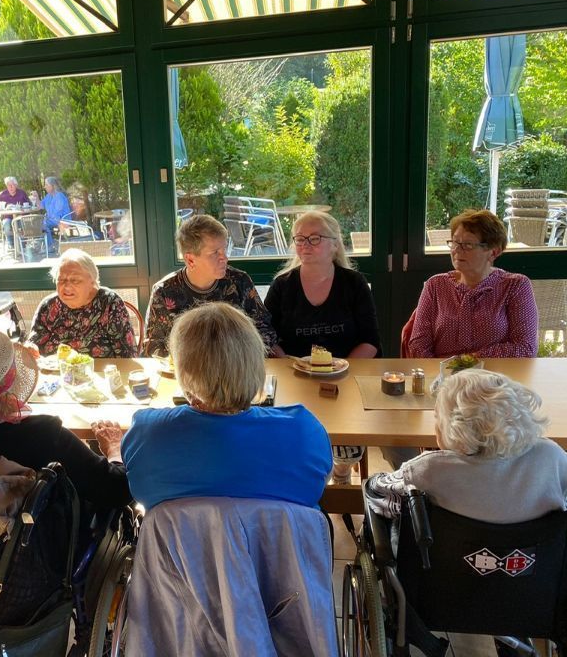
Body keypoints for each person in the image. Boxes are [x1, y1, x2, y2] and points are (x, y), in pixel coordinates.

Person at [122, 302, 332, 510]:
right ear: (256, 363)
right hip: (281, 545)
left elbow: (135, 487)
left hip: (185, 545)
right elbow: (317, 487)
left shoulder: (146, 434)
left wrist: (114, 453)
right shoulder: (304, 431)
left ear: (183, 372)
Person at [0, 328, 132, 511]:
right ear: (12, 378)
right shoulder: (46, 435)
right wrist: (114, 448)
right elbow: (118, 492)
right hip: (41, 551)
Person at [366, 368, 567, 522]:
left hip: (447, 575)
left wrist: (372, 481)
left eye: (437, 418)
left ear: (453, 429)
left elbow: (376, 493)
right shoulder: (551, 457)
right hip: (536, 575)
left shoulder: (429, 469)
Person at [264, 210, 381, 484]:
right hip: (294, 377)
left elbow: (370, 341)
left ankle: (340, 471)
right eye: (300, 238)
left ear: (334, 244)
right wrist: (286, 362)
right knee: (291, 434)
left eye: (314, 238)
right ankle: (307, 478)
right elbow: (266, 335)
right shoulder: (282, 286)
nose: (305, 244)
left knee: (345, 430)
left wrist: (339, 370)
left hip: (346, 378)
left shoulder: (353, 284)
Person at [408, 209, 538, 358]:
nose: (457, 250)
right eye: (455, 242)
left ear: (493, 252)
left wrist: (471, 360)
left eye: (468, 245)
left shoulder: (515, 286)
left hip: (495, 376)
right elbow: (418, 344)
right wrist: (442, 375)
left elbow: (526, 347)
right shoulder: (436, 285)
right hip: (443, 375)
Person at [143, 214, 278, 357]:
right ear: (190, 260)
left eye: (224, 249)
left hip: (235, 369)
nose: (225, 258)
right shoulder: (164, 292)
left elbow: (265, 330)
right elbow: (153, 348)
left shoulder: (239, 281)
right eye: (215, 253)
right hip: (186, 374)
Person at [28, 248, 137, 358]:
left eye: (75, 280)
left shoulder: (110, 304)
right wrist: (31, 349)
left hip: (100, 373)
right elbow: (34, 345)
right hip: (57, 374)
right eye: (61, 280)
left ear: (92, 281)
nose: (66, 286)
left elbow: (127, 355)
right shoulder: (48, 306)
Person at [0, 176, 30, 251]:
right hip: (8, 217)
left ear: (16, 185)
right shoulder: (2, 194)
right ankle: (11, 244)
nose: (10, 187)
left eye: (12, 185)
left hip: (20, 216)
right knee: (6, 224)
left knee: (22, 224)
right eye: (8, 185)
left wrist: (23, 206)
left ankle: (22, 244)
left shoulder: (21, 193)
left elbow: (29, 204)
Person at [40, 175, 72, 252]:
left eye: (47, 185)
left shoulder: (59, 196)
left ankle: (50, 246)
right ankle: (47, 243)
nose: (45, 187)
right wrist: (36, 197)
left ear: (53, 186)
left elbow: (57, 213)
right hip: (53, 219)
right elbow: (40, 206)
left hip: (62, 219)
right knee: (39, 223)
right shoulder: (48, 196)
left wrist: (46, 219)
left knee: (43, 225)